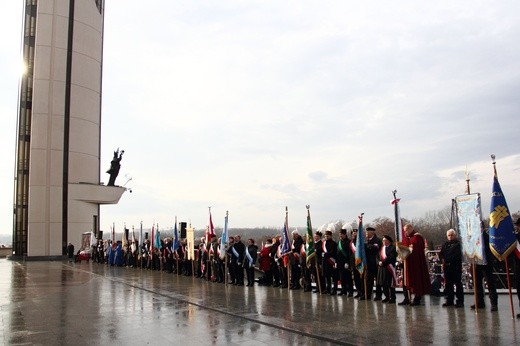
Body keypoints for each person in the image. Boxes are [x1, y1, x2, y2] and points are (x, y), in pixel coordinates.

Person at [399, 224, 431, 306]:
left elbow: (418, 249)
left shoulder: (417, 237)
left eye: (406, 230)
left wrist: (409, 250)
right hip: (407, 263)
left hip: (416, 263)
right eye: (404, 230)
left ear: (411, 228)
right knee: (406, 280)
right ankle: (407, 298)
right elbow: (402, 248)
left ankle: (417, 298)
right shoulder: (405, 239)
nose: (405, 232)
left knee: (416, 280)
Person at [473, 227, 498, 311]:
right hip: (477, 264)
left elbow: (491, 250)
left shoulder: (487, 237)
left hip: (486, 263)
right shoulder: (474, 237)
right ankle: (480, 302)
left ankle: (494, 304)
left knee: (490, 283)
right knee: (477, 284)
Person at [439, 229, 464, 308]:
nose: (450, 237)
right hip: (447, 267)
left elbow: (457, 255)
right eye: (449, 235)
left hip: (455, 266)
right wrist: (442, 259)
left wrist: (446, 259)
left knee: (458, 284)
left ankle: (460, 301)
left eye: (451, 235)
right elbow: (441, 254)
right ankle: (449, 300)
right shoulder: (445, 244)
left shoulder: (458, 244)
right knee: (448, 284)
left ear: (454, 235)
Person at [363, 227, 382, 300]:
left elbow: (374, 248)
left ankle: (378, 295)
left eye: (368, 233)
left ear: (372, 233)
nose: (366, 234)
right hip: (368, 264)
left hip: (376, 263)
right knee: (368, 280)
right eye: (366, 232)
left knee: (377, 281)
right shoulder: (366, 241)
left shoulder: (377, 240)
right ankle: (367, 295)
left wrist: (366, 245)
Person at [377, 235, 398, 303]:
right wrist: (379, 262)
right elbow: (377, 256)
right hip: (382, 268)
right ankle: (387, 296)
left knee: (390, 284)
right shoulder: (382, 248)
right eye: (383, 240)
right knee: (383, 283)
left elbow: (391, 257)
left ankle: (393, 298)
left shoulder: (393, 248)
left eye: (384, 240)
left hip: (389, 268)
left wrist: (383, 262)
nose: (383, 242)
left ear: (388, 241)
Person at [336, 228, 354, 296]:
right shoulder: (339, 242)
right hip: (340, 262)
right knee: (341, 278)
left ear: (345, 234)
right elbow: (337, 253)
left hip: (346, 263)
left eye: (341, 234)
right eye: (339, 234)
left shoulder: (349, 242)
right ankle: (343, 290)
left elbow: (350, 253)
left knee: (348, 278)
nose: (340, 236)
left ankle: (350, 291)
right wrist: (336, 262)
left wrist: (348, 262)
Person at [322, 230, 338, 295]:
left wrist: (326, 254)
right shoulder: (324, 243)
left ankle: (334, 289)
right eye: (325, 236)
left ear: (331, 236)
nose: (326, 237)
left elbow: (334, 252)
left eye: (327, 236)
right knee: (327, 276)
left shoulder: (334, 243)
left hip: (331, 262)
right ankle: (328, 289)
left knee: (334, 277)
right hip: (325, 262)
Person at [349, 229, 362, 297]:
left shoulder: (360, 242)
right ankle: (358, 291)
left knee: (361, 279)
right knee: (356, 279)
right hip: (353, 263)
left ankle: (362, 292)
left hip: (360, 263)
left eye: (355, 233)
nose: (354, 235)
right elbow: (350, 254)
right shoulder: (351, 243)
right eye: (353, 233)